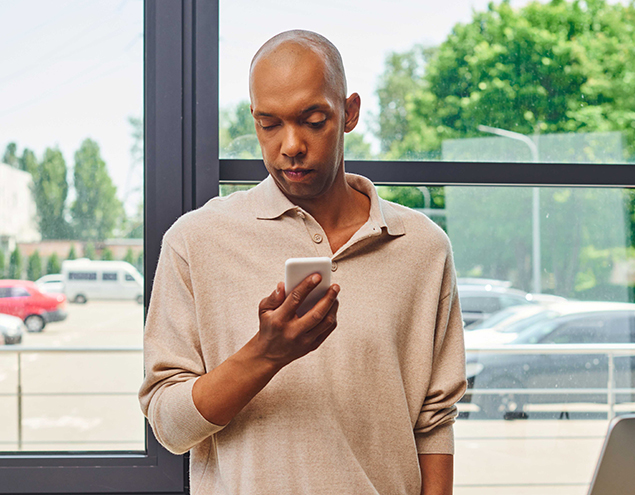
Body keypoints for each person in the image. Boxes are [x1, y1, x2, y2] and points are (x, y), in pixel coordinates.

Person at [139, 30, 466, 495]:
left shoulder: (422, 247)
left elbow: (433, 423)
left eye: (313, 120)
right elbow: (170, 428)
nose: (290, 145)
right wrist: (265, 354)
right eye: (268, 124)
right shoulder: (195, 240)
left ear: (349, 112)